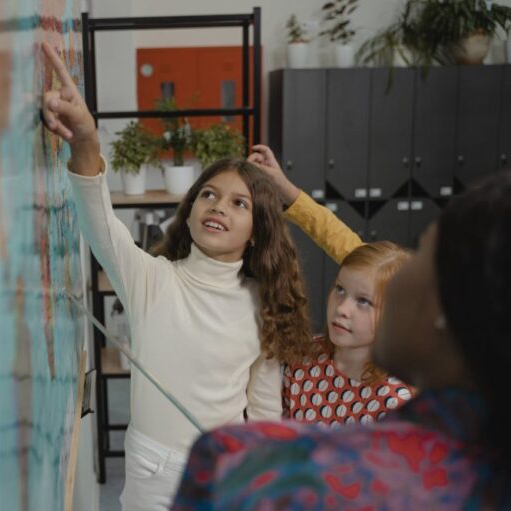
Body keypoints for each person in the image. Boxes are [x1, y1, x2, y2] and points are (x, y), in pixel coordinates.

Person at [39, 42, 312, 510]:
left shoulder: (264, 302)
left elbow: (265, 410)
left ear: (256, 232)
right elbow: (102, 227)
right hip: (155, 470)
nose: (218, 207)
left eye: (238, 203)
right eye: (208, 195)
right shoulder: (155, 280)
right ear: (188, 214)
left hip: (225, 469)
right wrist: (85, 142)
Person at [171, 170, 511, 509]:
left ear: (445, 310)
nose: (346, 308)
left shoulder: (232, 465)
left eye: (422, 253)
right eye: (340, 290)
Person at [248, 145, 414, 427]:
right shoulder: (302, 361)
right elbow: (336, 237)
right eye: (339, 290)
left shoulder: (396, 403)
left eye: (363, 301)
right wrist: (284, 188)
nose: (343, 309)